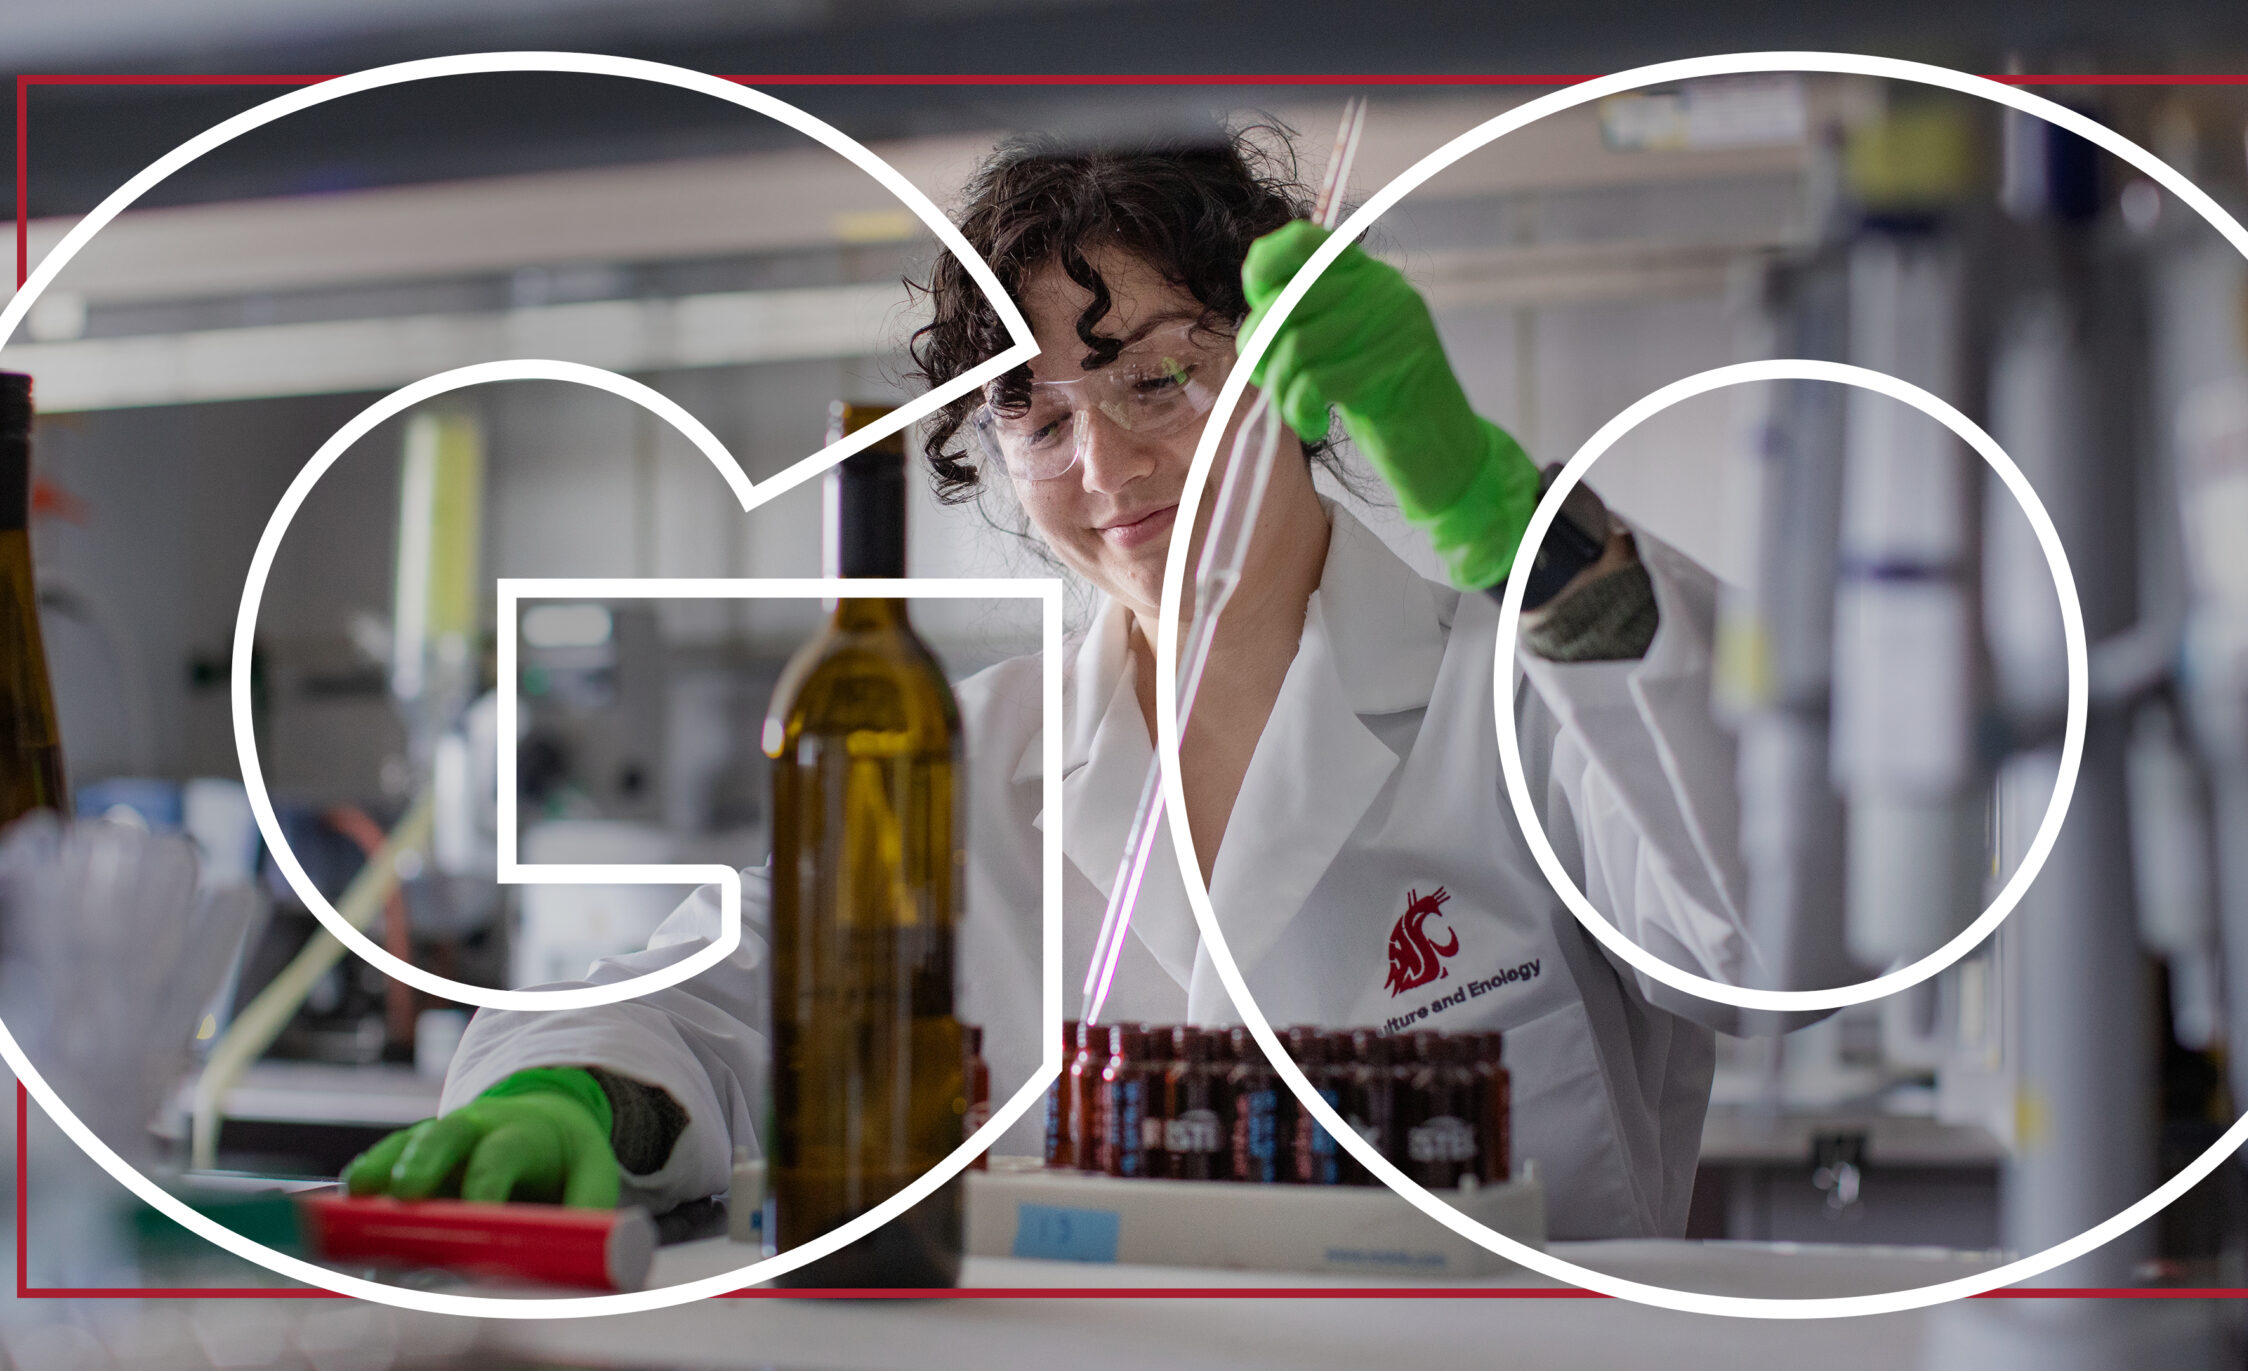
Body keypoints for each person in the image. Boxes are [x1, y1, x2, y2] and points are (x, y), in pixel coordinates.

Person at [342, 128, 1759, 1241]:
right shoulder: (967, 761)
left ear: (1295, 373)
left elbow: (1769, 953)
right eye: (1035, 412)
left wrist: (1517, 529)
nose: (1106, 468)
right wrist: (585, 1091)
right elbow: (705, 993)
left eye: (1160, 378)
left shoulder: (1532, 691)